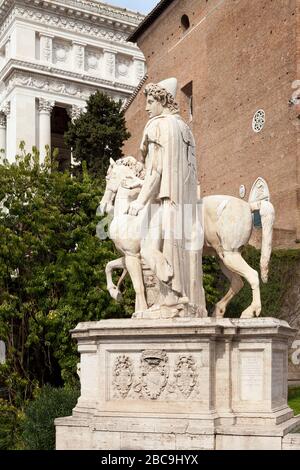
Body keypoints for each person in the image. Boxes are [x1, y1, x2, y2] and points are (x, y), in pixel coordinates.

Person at [128, 78, 206, 316]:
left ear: (162, 100)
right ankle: (186, 301)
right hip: (186, 203)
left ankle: (169, 301)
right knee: (180, 247)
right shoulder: (185, 129)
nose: (146, 107)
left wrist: (140, 201)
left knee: (148, 249)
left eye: (150, 101)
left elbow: (155, 171)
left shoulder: (157, 126)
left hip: (165, 198)